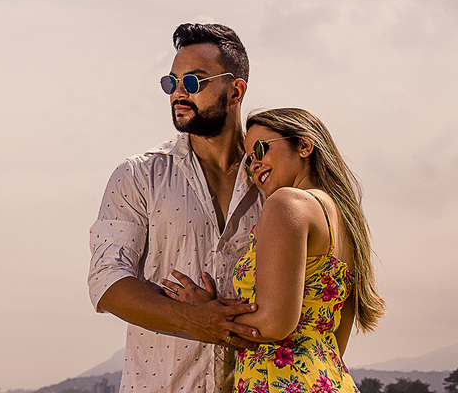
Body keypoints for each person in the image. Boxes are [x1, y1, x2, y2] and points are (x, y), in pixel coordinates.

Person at [89, 23, 264, 393]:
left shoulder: (275, 181)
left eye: (194, 82)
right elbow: (106, 281)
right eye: (172, 82)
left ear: (235, 91)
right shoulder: (138, 175)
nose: (178, 93)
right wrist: (194, 319)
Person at [160, 108, 385, 393]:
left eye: (261, 150)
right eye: (249, 161)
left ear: (304, 145)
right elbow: (335, 341)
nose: (254, 165)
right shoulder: (346, 223)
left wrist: (206, 313)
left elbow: (275, 323)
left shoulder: (286, 203)